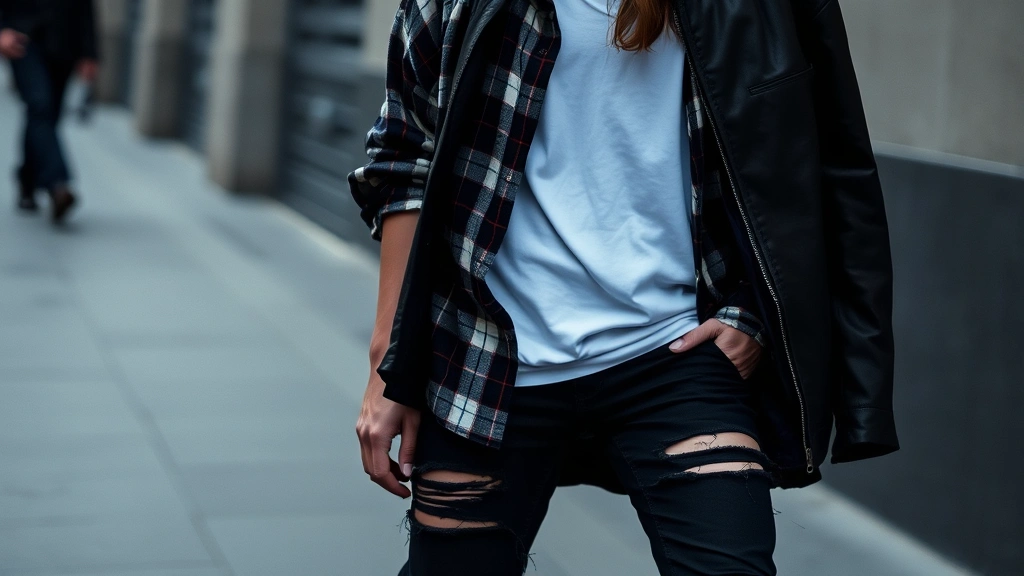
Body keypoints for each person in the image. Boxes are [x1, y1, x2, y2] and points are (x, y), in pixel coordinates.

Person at [350, 0, 899, 572]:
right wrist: (389, 363)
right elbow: (405, 161)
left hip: (673, 353)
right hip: (489, 362)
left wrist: (750, 313)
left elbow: (811, 152)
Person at [0, 0, 98, 222]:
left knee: (46, 115)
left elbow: (85, 8)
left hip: (64, 44)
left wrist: (90, 53)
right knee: (39, 105)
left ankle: (27, 179)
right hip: (23, 40)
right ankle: (57, 184)